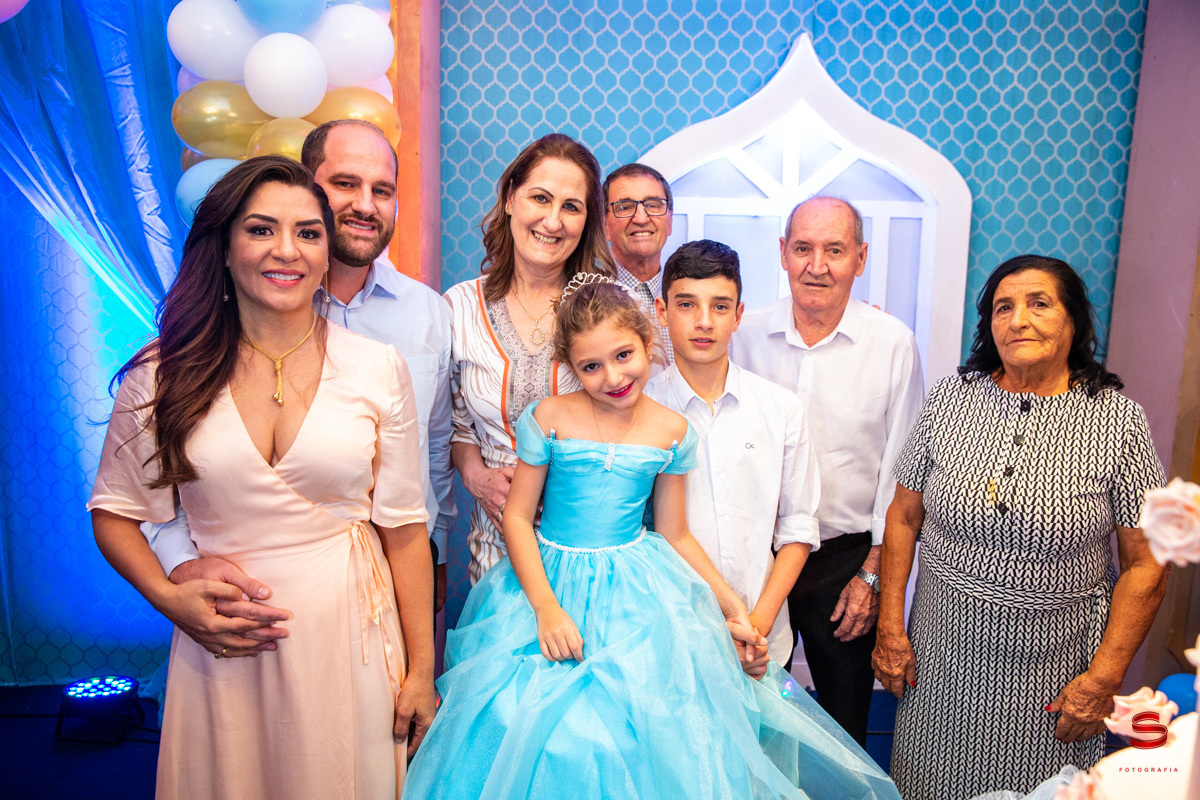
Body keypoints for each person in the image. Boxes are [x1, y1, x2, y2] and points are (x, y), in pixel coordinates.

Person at [402, 278, 900, 799]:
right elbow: (518, 517)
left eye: (624, 356)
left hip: (636, 594)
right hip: (547, 584)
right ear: (570, 367)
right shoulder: (549, 419)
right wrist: (547, 609)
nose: (613, 376)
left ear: (646, 342)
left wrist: (732, 605)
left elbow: (675, 532)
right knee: (548, 730)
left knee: (646, 730)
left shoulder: (672, 430)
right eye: (591, 367)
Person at [88, 157, 434, 799]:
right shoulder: (162, 373)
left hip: (350, 642)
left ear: (327, 253)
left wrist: (420, 672)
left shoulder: (378, 368)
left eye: (308, 233)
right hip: (221, 646)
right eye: (260, 229)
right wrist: (168, 597)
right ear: (223, 248)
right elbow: (114, 512)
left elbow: (405, 529)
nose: (287, 250)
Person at [144, 120, 456, 640]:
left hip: (398, 574)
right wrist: (179, 566)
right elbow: (160, 474)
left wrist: (436, 550)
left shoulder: (428, 312)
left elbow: (435, 448)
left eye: (382, 190)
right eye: (345, 184)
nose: (366, 205)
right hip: (248, 593)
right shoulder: (249, 312)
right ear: (309, 188)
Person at [872, 255, 1168, 799]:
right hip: (940, 662)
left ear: (1073, 320)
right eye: (1003, 308)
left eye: (1039, 304)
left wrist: (1104, 678)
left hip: (1056, 677)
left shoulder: (1120, 421)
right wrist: (891, 628)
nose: (1018, 320)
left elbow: (1146, 564)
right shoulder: (949, 402)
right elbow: (903, 516)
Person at [732, 196, 924, 746]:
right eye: (803, 248)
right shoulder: (743, 333)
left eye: (835, 250)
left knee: (844, 722)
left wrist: (874, 574)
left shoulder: (892, 343)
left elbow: (904, 471)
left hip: (846, 562)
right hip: (756, 552)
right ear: (783, 254)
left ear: (860, 258)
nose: (817, 265)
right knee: (749, 711)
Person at [446, 133, 615, 582]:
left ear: (587, 221)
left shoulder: (610, 309)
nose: (552, 221)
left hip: (591, 554)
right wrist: (477, 478)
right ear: (509, 199)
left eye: (571, 206)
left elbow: (637, 423)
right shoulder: (459, 308)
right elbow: (456, 425)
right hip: (494, 554)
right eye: (540, 198)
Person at [645, 239, 820, 670]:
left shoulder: (780, 409)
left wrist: (755, 626)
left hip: (762, 635)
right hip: (669, 633)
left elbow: (798, 526)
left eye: (720, 306)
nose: (704, 321)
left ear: (739, 315)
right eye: (687, 304)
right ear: (661, 311)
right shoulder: (639, 410)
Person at [604, 162, 674, 366]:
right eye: (625, 207)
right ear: (605, 225)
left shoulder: (690, 299)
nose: (641, 218)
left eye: (653, 205)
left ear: (669, 221)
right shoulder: (584, 299)